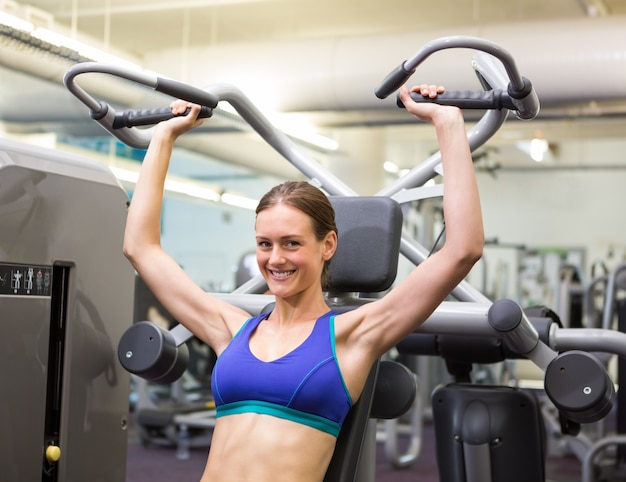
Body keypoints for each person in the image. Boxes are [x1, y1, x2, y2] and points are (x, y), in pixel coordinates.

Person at [122, 83, 484, 482]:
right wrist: (162, 138)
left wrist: (449, 124)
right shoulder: (230, 329)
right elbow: (141, 248)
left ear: (327, 244)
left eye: (291, 243)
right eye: (265, 244)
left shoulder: (353, 334)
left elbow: (462, 250)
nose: (275, 259)